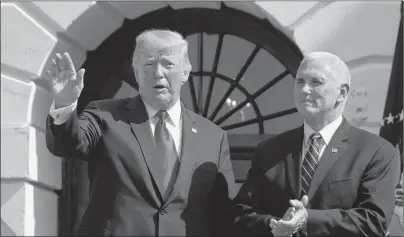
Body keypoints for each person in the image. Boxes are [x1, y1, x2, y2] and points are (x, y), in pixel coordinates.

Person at [45, 29, 236, 236]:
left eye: (168, 64)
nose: (158, 73)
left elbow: (224, 214)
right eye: (149, 64)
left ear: (185, 72)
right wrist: (65, 104)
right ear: (136, 73)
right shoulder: (104, 115)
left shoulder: (214, 137)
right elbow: (68, 143)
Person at [232, 51, 401, 236]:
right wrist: (275, 225)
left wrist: (307, 220)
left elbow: (374, 220)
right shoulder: (269, 151)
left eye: (316, 82)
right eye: (300, 82)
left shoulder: (376, 151)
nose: (305, 89)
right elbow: (240, 215)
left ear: (341, 92)